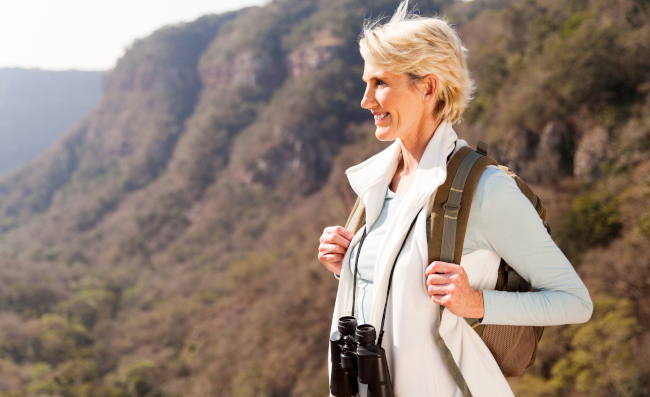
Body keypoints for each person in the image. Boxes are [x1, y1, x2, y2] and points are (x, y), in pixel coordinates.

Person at [317, 1, 594, 396]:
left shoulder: (486, 190)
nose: (366, 100)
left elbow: (575, 301)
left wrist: (476, 303)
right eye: (366, 83)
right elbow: (396, 293)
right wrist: (346, 263)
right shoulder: (376, 183)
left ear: (428, 87)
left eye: (380, 83)